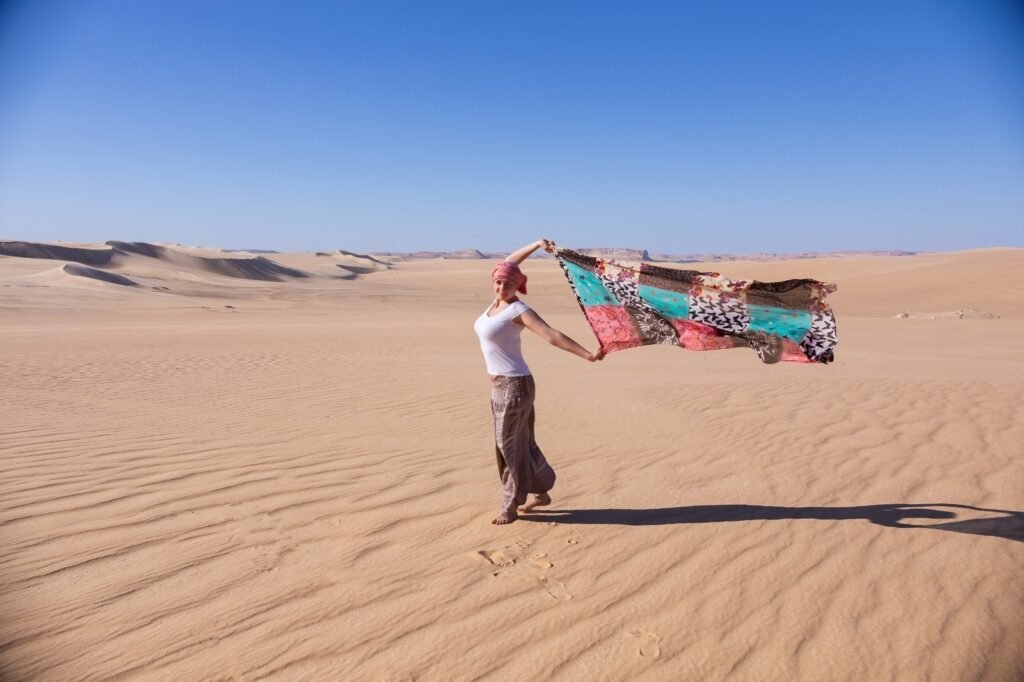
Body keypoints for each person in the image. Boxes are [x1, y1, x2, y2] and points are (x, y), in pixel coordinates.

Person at [473, 239, 604, 525]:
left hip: (515, 386)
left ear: (517, 285)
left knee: (507, 445)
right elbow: (509, 262)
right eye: (498, 282)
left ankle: (511, 504)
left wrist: (587, 355)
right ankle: (541, 491)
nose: (501, 287)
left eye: (508, 284)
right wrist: (536, 244)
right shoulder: (494, 304)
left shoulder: (517, 310)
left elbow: (551, 335)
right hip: (498, 386)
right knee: (519, 441)